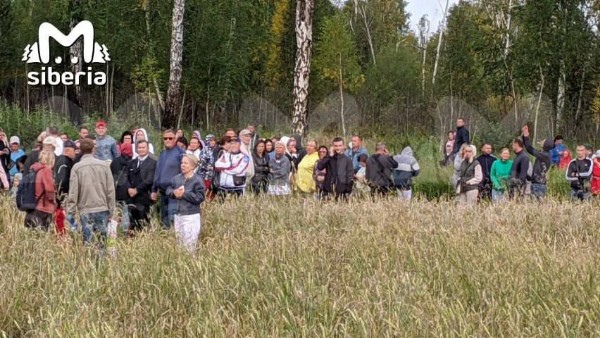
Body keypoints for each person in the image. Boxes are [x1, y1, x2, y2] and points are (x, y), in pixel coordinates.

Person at [67, 139, 116, 249]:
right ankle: (102, 265)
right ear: (93, 149)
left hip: (85, 210)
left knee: (88, 244)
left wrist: (70, 212)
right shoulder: (104, 166)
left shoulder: (76, 168)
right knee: (102, 244)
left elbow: (73, 192)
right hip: (103, 208)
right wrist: (112, 211)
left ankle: (89, 264)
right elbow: (110, 191)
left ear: (80, 150)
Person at [167, 154, 205, 252]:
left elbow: (200, 197)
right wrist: (174, 193)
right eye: (182, 163)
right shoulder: (176, 178)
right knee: (179, 245)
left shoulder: (197, 180)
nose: (182, 165)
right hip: (178, 215)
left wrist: (184, 194)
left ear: (192, 166)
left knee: (189, 247)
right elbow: (168, 190)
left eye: (186, 163)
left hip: (191, 216)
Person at [151, 129, 184, 228]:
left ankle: (174, 240)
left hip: (174, 192)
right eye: (165, 138)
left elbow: (185, 172)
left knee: (172, 219)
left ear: (175, 139)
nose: (168, 140)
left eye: (170, 138)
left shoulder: (180, 153)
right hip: (162, 192)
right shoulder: (162, 154)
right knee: (164, 220)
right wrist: (154, 189)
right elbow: (158, 172)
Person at [127, 140, 157, 233]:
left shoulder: (153, 162)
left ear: (148, 148)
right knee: (132, 222)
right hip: (131, 197)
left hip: (144, 197)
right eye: (139, 148)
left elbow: (150, 179)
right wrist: (129, 188)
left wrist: (137, 189)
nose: (141, 150)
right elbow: (126, 177)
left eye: (143, 147)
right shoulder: (132, 162)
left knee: (143, 222)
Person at [25, 150, 56, 230]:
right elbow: (49, 190)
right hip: (43, 208)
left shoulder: (34, 169)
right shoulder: (46, 170)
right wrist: (54, 202)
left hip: (32, 207)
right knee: (42, 234)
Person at [521, 125, 553, 200]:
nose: (541, 141)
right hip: (538, 183)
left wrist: (526, 136)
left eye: (543, 141)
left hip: (538, 185)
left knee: (537, 206)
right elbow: (529, 148)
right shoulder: (544, 154)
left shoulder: (545, 155)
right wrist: (524, 136)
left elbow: (529, 149)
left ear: (546, 144)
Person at [54, 140, 77, 234]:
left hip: (61, 197)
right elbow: (61, 180)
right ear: (67, 150)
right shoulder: (64, 161)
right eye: (74, 150)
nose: (75, 152)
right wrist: (64, 195)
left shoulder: (61, 160)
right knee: (65, 220)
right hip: (64, 197)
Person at [110, 142, 133, 232]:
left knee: (116, 215)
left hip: (116, 192)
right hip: (128, 193)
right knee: (126, 215)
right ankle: (125, 233)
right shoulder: (132, 162)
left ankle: (114, 233)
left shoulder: (115, 161)